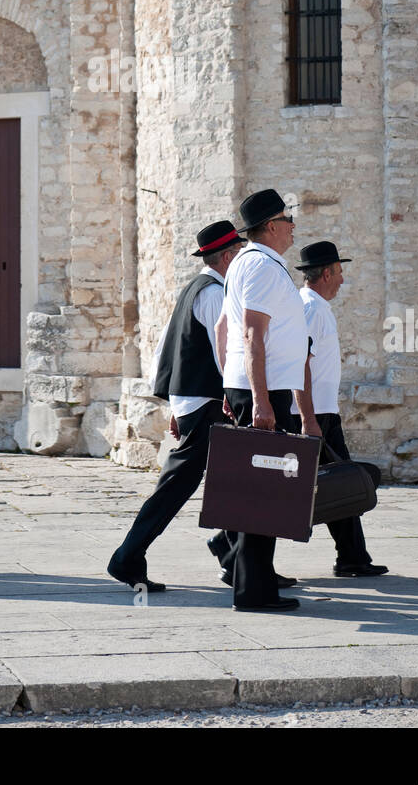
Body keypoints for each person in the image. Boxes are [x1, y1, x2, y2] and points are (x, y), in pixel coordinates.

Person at [107, 221, 245, 592]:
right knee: (176, 487)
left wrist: (176, 404)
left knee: (231, 481)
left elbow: (164, 350)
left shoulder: (194, 289)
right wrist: (231, 397)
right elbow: (224, 354)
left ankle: (236, 556)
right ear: (228, 256)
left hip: (195, 402)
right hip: (210, 404)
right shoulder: (215, 293)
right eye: (240, 255)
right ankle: (127, 557)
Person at [215, 189, 308, 612]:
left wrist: (231, 384)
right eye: (288, 219)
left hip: (253, 386)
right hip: (262, 390)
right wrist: (260, 400)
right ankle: (254, 592)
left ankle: (253, 582)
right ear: (271, 225)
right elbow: (252, 334)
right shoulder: (263, 267)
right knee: (263, 492)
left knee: (257, 490)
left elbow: (224, 329)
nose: (293, 226)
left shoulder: (248, 263)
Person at [294, 240, 387, 578]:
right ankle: (230, 544)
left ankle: (353, 557)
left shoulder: (315, 306)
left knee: (339, 483)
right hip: (314, 415)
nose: (343, 280)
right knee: (324, 485)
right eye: (341, 273)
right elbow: (298, 363)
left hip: (322, 413)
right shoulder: (311, 309)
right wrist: (308, 419)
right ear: (327, 273)